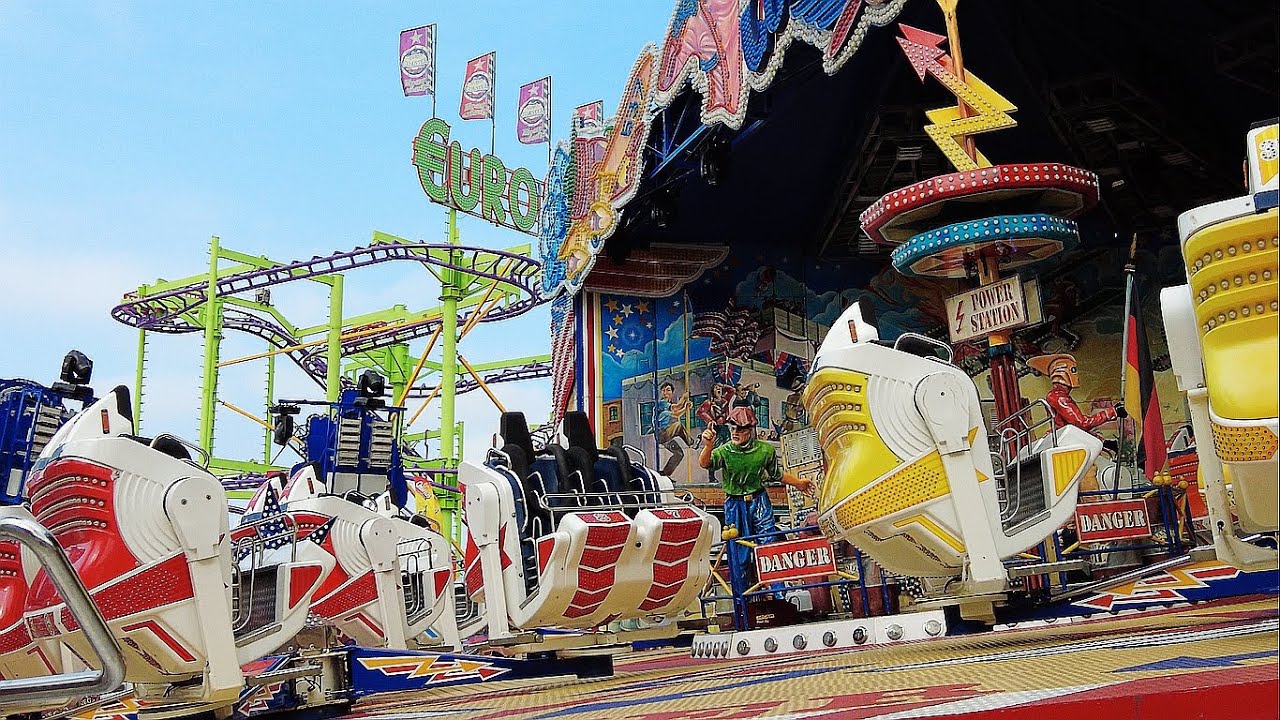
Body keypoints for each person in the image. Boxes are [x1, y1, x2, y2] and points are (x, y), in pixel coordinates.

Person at [698, 405, 813, 594]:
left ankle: (779, 594)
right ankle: (742, 599)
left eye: (740, 429)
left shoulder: (764, 451)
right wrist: (708, 446)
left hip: (759, 502)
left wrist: (798, 483)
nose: (735, 432)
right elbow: (705, 463)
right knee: (739, 552)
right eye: (732, 427)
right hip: (735, 505)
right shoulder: (725, 451)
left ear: (750, 430)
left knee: (768, 545)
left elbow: (777, 474)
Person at [1027, 353, 1125, 437]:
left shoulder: (1059, 396)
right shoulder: (1059, 397)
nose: (1077, 376)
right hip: (1066, 439)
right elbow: (1081, 423)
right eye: (1073, 370)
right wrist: (1112, 412)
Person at [653, 381, 692, 476]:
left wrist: (685, 406)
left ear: (672, 392)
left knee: (679, 454)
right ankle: (691, 443)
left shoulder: (667, 406)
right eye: (663, 390)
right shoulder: (661, 403)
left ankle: (665, 474)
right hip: (662, 434)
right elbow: (677, 410)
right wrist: (684, 399)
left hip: (666, 437)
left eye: (668, 390)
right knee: (678, 425)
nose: (665, 393)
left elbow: (676, 410)